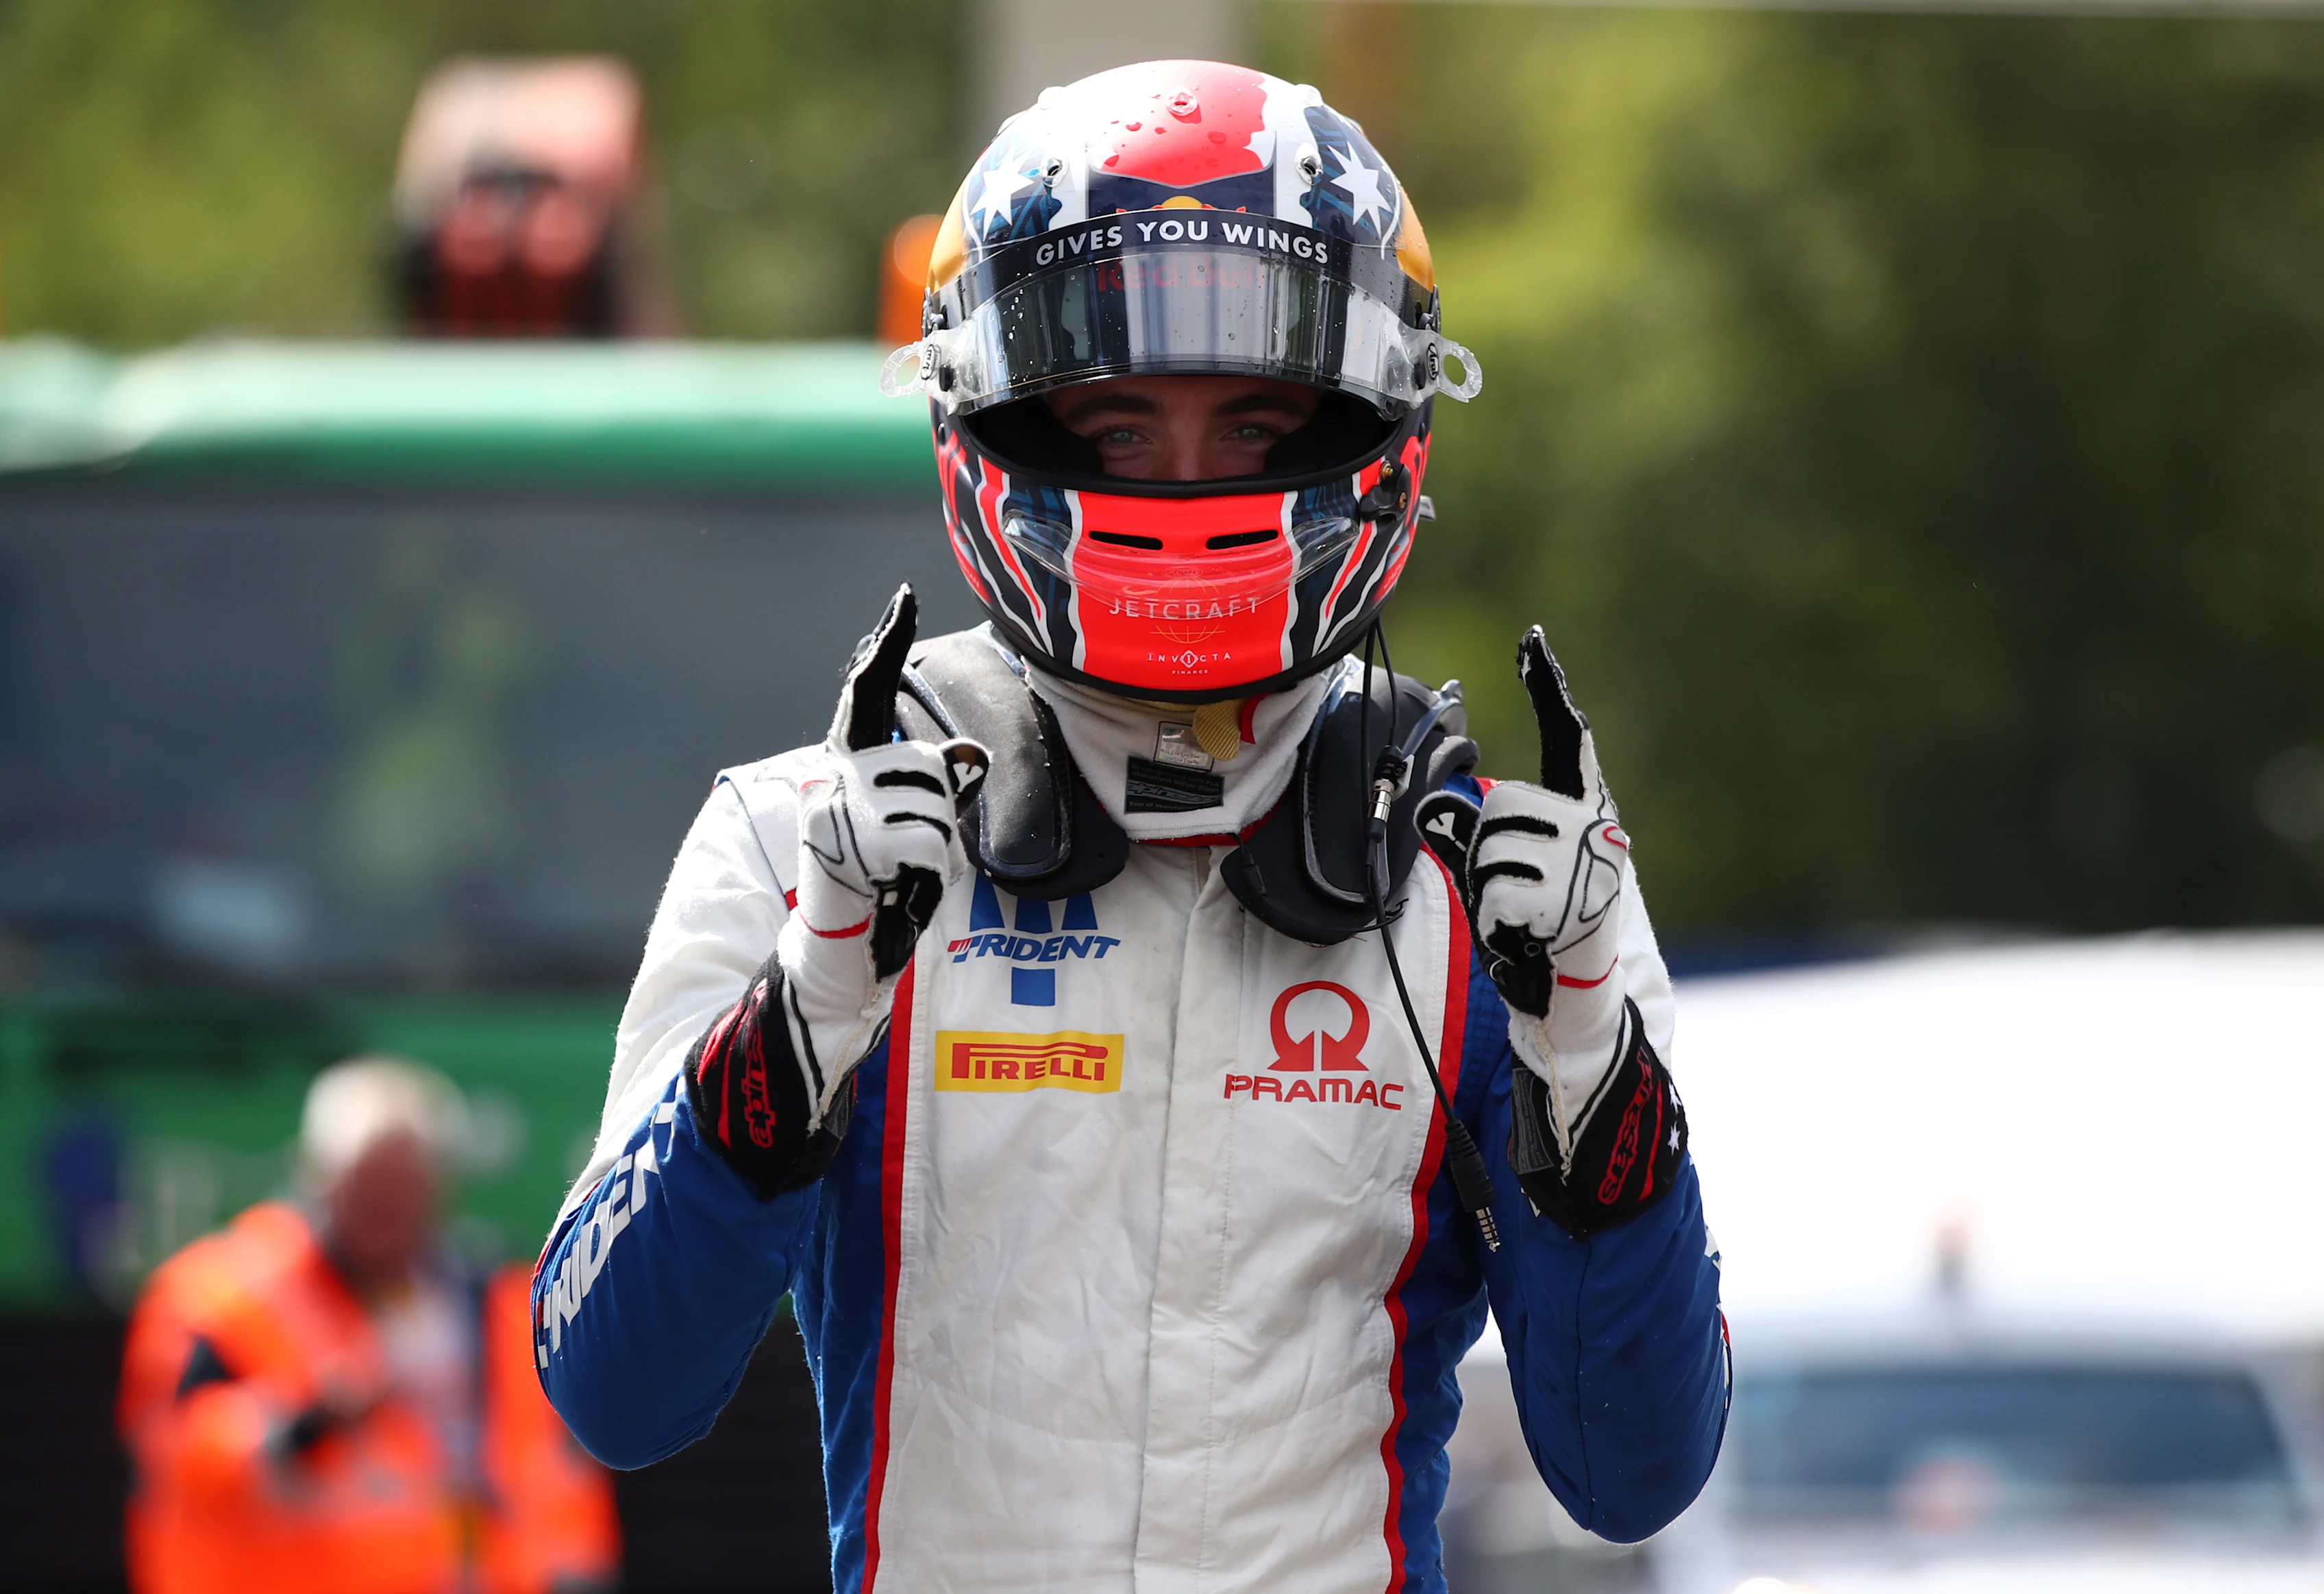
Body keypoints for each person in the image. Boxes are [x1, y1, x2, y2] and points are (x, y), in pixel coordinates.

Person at [536, 60, 1727, 1593]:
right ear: (986, 413)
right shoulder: (804, 840)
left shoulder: (1498, 887)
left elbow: (1633, 1473)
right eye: (1111, 425)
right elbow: (611, 1394)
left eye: (1251, 423)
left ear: (1383, 419)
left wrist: (1587, 1066)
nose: (1184, 480)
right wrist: (806, 1008)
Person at [119, 1057, 619, 1594]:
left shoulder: (502, 1301)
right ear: (317, 1177)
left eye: (404, 1189)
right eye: (369, 1188)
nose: (387, 1212)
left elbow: (555, 1477)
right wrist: (301, 1426)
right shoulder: (220, 1298)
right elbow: (173, 1457)